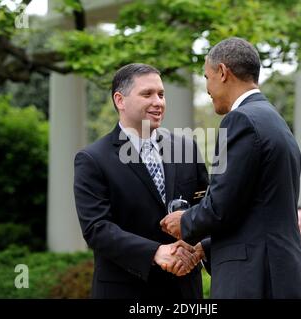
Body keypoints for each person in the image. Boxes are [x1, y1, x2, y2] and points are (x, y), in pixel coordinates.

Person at [160, 37, 301, 298]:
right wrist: (205, 247)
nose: (207, 89)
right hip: (281, 274)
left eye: (207, 77)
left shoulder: (240, 120)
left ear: (222, 72)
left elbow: (220, 206)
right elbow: (256, 211)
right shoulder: (274, 120)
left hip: (256, 279)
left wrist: (184, 221)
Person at [74, 63, 209, 299]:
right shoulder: (92, 159)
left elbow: (208, 207)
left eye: (161, 94)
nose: (158, 102)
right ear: (120, 100)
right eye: (147, 94)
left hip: (185, 289)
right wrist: (155, 252)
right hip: (125, 289)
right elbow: (96, 228)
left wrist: (199, 248)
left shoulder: (187, 147)